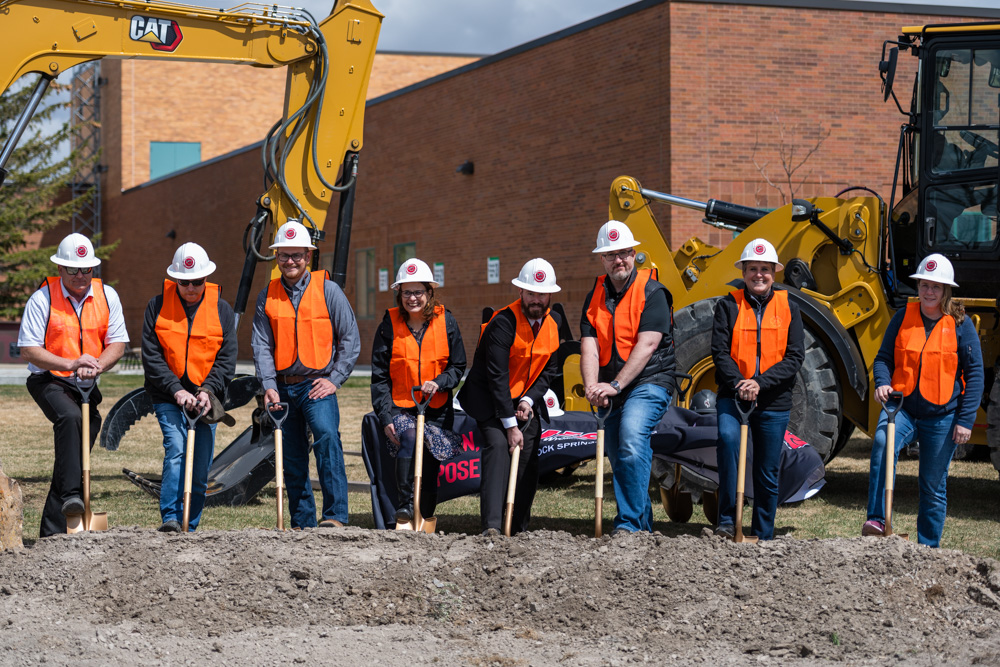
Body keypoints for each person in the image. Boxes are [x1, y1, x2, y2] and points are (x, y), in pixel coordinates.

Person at [864, 253, 983, 547]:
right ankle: (877, 520)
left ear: (946, 291)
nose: (929, 292)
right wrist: (882, 383)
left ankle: (928, 549)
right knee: (882, 443)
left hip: (942, 416)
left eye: (936, 287)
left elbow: (976, 373)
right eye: (924, 285)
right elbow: (883, 359)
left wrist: (965, 420)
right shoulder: (903, 317)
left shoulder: (960, 324)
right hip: (900, 408)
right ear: (918, 287)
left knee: (932, 485)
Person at [17, 233, 128, 537]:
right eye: (73, 270)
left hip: (87, 382)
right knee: (70, 418)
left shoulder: (107, 296)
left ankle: (55, 529)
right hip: (49, 379)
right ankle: (70, 496)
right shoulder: (43, 298)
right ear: (60, 269)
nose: (80, 276)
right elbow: (28, 349)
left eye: (86, 270)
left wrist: (97, 365)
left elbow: (117, 343)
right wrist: (71, 364)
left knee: (80, 443)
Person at [251, 220, 360, 529]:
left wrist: (334, 379)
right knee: (293, 455)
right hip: (282, 389)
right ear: (276, 257)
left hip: (317, 386)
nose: (290, 261)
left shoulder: (329, 290)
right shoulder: (266, 296)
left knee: (327, 440)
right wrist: (268, 386)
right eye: (284, 255)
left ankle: (335, 517)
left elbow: (350, 338)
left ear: (308, 256)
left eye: (296, 255)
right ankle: (302, 522)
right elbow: (260, 344)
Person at [580, 220, 676, 534]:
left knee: (633, 441)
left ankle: (630, 526)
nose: (618, 259)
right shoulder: (594, 293)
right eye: (611, 255)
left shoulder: (653, 292)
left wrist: (616, 385)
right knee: (621, 456)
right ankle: (641, 526)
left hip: (650, 381)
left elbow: (647, 345)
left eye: (624, 253)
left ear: (634, 254)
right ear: (601, 259)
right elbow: (589, 346)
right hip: (611, 386)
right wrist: (593, 385)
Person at [459, 258, 562, 535]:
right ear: (520, 293)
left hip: (522, 400)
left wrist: (528, 401)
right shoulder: (503, 322)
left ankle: (518, 527)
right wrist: (510, 425)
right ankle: (492, 526)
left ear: (550, 294)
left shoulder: (554, 323)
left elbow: (549, 371)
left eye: (541, 294)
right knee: (497, 446)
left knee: (528, 454)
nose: (536, 300)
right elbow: (497, 377)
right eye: (531, 293)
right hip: (489, 399)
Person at [710, 238, 804, 541]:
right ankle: (727, 521)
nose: (759, 275)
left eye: (765, 269)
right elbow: (719, 353)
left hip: (774, 399)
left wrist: (760, 383)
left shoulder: (790, 306)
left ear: (773, 273)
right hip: (732, 395)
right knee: (727, 442)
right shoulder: (727, 305)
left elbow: (795, 357)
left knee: (767, 468)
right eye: (753, 269)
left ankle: (763, 531)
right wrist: (740, 384)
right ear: (744, 271)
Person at [141, 242, 237, 532]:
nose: (192, 287)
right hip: (168, 395)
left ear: (206, 278)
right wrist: (177, 390)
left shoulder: (221, 310)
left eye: (197, 281)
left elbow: (226, 359)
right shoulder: (156, 307)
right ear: (175, 280)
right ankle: (170, 517)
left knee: (200, 466)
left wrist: (207, 391)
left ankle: (190, 524)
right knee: (177, 450)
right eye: (185, 282)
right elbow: (152, 357)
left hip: (207, 399)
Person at [370, 258, 466, 524]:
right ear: (399, 294)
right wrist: (386, 416)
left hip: (436, 408)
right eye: (406, 292)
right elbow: (379, 377)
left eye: (418, 292)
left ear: (430, 293)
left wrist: (440, 382)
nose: (412, 298)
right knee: (411, 438)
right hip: (401, 406)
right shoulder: (388, 325)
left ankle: (424, 516)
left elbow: (458, 366)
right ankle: (404, 505)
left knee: (430, 466)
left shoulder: (447, 322)